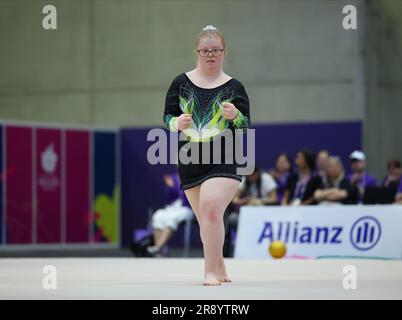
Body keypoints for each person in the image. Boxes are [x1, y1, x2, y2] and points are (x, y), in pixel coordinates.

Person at [162, 25, 251, 285]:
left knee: (211, 208)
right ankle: (220, 264)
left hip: (225, 155)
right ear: (196, 52)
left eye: (215, 50)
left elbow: (245, 126)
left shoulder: (234, 87)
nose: (210, 54)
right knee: (206, 221)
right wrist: (176, 123)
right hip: (190, 158)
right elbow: (166, 118)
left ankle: (209, 271)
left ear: (224, 52)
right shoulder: (181, 83)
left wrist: (236, 116)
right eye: (205, 51)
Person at [146, 173, 192, 257]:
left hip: (187, 208)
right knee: (158, 215)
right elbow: (168, 198)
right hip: (172, 207)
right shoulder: (173, 178)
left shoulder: (192, 176)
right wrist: (170, 188)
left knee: (172, 218)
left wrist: (175, 187)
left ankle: (157, 247)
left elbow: (188, 195)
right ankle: (159, 253)